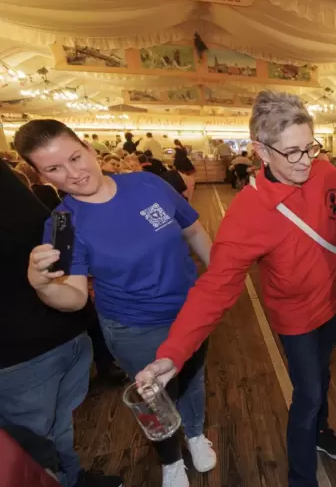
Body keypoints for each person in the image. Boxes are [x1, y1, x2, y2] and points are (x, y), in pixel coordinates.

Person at [134, 91, 336, 487]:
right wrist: (173, 353)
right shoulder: (247, 216)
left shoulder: (324, 172)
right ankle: (301, 478)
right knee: (307, 394)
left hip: (335, 299)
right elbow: (215, 288)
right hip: (296, 317)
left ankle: (321, 433)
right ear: (261, 151)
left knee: (322, 376)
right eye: (292, 153)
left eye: (310, 147)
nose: (306, 161)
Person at [18, 119, 215, 487]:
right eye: (54, 169)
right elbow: (75, 297)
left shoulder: (147, 184)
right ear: (41, 176)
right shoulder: (63, 224)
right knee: (154, 397)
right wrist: (42, 286)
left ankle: (195, 433)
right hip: (134, 325)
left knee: (193, 377)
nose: (73, 174)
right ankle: (170, 460)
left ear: (90, 149)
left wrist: (219, 281)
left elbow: (192, 229)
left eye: (75, 158)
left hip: (191, 311)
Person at [0, 159, 123, 487]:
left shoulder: (12, 183)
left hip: (64, 328)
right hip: (19, 352)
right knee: (34, 443)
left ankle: (70, 477)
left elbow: (59, 229)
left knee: (58, 427)